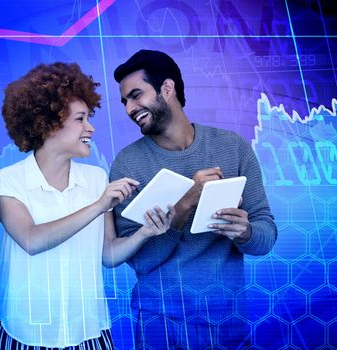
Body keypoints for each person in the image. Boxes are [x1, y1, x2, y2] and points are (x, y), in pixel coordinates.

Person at [0, 62, 172, 350]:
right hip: (24, 334)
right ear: (47, 123)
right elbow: (31, 239)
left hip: (89, 332)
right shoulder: (9, 180)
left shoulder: (96, 178)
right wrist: (99, 205)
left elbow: (109, 255)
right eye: (80, 119)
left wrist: (145, 232)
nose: (90, 127)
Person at [110, 49, 278, 349]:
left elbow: (265, 236)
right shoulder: (127, 164)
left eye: (136, 95)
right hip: (159, 321)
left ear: (167, 88)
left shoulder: (232, 147)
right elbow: (140, 260)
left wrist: (246, 232)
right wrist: (186, 202)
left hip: (227, 319)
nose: (129, 108)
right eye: (125, 101)